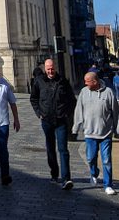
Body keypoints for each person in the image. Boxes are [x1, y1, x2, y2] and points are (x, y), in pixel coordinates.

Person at [30, 57, 76, 190]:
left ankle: (66, 178)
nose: (50, 71)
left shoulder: (62, 81)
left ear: (55, 68)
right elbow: (33, 98)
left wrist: (66, 113)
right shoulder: (39, 81)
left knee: (63, 149)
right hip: (46, 120)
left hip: (61, 120)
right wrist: (39, 113)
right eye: (48, 69)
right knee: (50, 148)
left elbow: (72, 100)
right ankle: (54, 173)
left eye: (52, 68)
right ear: (45, 69)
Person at [74, 71, 119, 195]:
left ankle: (108, 184)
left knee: (106, 160)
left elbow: (116, 112)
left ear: (95, 82)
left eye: (87, 81)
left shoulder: (108, 92)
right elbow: (78, 110)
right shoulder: (84, 92)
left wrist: (117, 131)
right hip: (89, 132)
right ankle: (94, 172)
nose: (84, 83)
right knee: (90, 158)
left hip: (105, 132)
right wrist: (76, 127)